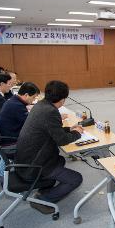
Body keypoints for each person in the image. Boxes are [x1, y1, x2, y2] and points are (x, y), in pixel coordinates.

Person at [16, 80, 83, 214]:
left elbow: (50, 129)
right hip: (34, 165)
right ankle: (44, 199)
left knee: (61, 160)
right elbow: (62, 140)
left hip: (24, 159)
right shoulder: (51, 112)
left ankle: (45, 187)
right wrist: (77, 133)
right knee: (76, 178)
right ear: (63, 99)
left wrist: (69, 129)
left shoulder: (41, 105)